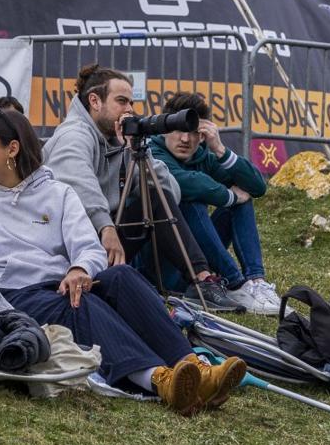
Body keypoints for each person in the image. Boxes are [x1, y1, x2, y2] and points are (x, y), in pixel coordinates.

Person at [0, 108, 247, 413]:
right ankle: (158, 380)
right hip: (15, 296)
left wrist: (79, 268)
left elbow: (89, 247)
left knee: (122, 276)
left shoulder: (58, 193)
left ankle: (195, 370)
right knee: (78, 303)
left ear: (11, 149)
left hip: (61, 283)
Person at [42, 64, 239, 311]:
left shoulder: (115, 140)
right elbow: (78, 186)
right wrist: (106, 226)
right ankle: (199, 281)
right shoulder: (73, 135)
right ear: (95, 101)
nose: (130, 110)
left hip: (101, 239)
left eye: (131, 103)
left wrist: (134, 150)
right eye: (122, 101)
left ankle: (202, 280)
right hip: (72, 249)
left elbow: (170, 192)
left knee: (155, 197)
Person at [149, 93, 278, 315]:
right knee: (193, 201)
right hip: (160, 268)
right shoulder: (151, 152)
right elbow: (188, 184)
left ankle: (255, 281)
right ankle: (236, 283)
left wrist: (219, 149)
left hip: (198, 265)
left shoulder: (203, 156)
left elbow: (257, 187)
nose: (185, 139)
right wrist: (229, 195)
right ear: (164, 128)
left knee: (241, 202)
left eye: (193, 132)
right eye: (179, 130)